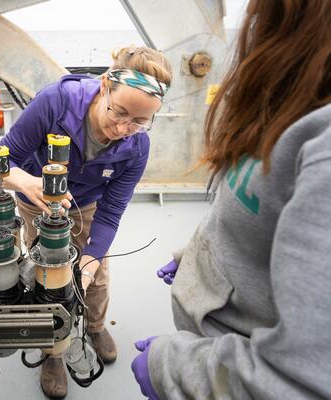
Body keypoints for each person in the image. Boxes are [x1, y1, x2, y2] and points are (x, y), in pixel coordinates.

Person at [131, 0, 331, 398]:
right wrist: (201, 258)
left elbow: (301, 383)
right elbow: (262, 209)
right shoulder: (301, 102)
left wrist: (169, 367)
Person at [0, 46, 172, 399]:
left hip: (87, 205)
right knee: (48, 275)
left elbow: (112, 211)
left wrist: (90, 263)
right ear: (105, 84)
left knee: (98, 275)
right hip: (36, 199)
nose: (123, 128)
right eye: (119, 112)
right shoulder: (56, 102)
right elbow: (1, 161)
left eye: (139, 121)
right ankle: (53, 351)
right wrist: (31, 185)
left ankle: (94, 326)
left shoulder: (137, 148)